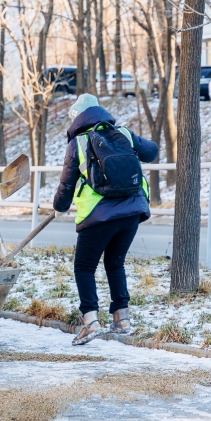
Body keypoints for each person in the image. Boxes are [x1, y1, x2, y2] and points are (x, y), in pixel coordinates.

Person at [53, 94, 159, 346]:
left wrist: (59, 206)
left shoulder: (78, 143)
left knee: (84, 267)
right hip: (132, 211)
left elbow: (66, 185)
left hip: (98, 216)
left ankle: (90, 322)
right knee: (115, 263)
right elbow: (151, 152)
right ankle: (122, 319)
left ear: (77, 118)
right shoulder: (123, 132)